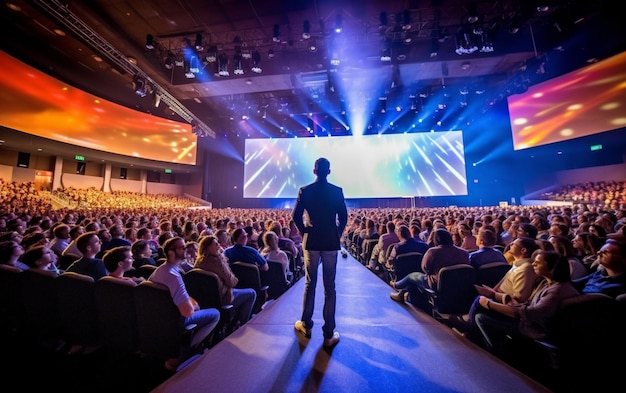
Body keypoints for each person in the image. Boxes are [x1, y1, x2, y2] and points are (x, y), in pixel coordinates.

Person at [472, 250, 579, 359]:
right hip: (531, 322)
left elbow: (529, 313)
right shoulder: (545, 283)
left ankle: (500, 357)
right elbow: (527, 305)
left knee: (481, 317)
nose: (533, 264)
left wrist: (489, 304)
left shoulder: (556, 291)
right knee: (481, 307)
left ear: (552, 268)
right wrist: (497, 297)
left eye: (538, 262)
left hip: (536, 329)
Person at [292, 157, 347, 348]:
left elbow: (295, 216)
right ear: (328, 171)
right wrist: (336, 233)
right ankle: (329, 333)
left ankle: (306, 325)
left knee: (310, 283)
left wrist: (305, 231)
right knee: (329, 287)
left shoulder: (305, 191)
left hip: (312, 242)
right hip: (330, 243)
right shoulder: (337, 191)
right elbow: (344, 217)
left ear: (314, 171)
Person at [149, 236, 220, 371]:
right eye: (182, 248)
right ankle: (188, 352)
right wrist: (193, 305)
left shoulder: (160, 270)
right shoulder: (174, 276)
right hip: (176, 319)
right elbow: (187, 312)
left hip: (161, 317)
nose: (186, 250)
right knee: (215, 314)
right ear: (171, 252)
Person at [390, 228, 469, 309]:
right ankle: (402, 294)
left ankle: (397, 285)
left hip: (436, 285)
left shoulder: (433, 252)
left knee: (412, 276)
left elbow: (424, 268)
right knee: (413, 282)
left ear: (436, 240)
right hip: (458, 286)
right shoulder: (464, 253)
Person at [194, 235, 256, 328]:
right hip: (223, 297)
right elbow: (232, 282)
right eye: (216, 244)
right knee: (251, 293)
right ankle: (243, 324)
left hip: (205, 300)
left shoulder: (198, 262)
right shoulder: (217, 261)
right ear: (208, 247)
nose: (219, 245)